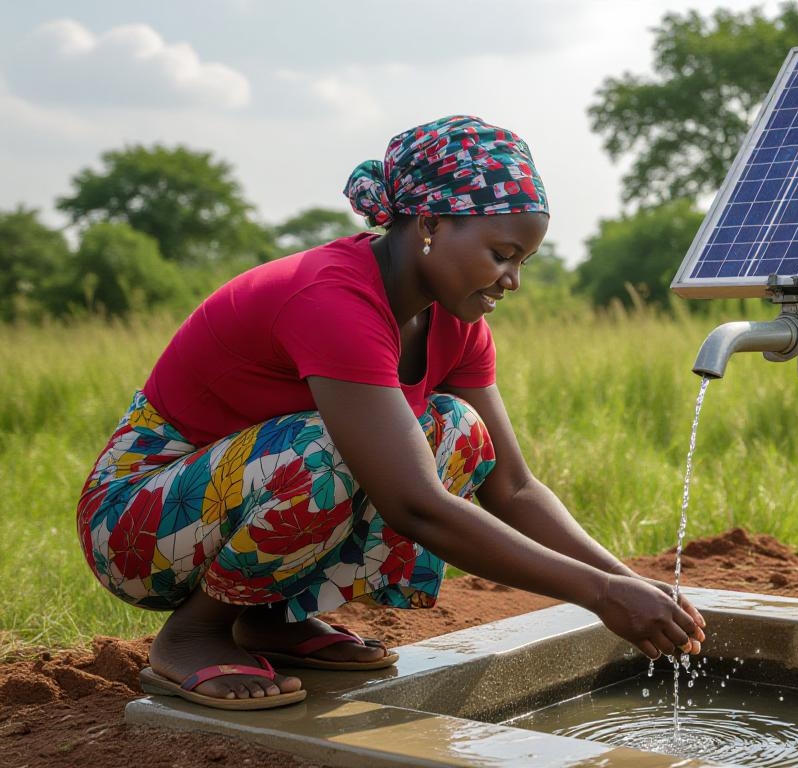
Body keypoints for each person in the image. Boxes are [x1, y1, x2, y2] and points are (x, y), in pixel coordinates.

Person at [75, 115, 705, 711]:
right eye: (502, 254)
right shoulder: (332, 298)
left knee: (457, 432)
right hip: (137, 521)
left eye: (523, 262)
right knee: (324, 451)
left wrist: (633, 586)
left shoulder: (454, 322)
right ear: (429, 224)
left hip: (226, 506)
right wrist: (599, 595)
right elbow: (413, 503)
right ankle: (191, 636)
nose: (512, 280)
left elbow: (512, 485)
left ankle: (268, 621)